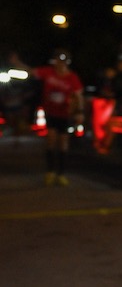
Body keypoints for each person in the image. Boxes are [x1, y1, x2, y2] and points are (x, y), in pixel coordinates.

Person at [32, 49, 84, 185]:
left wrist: (80, 111)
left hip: (65, 114)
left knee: (63, 143)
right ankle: (50, 172)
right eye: (57, 62)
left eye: (62, 62)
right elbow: (31, 72)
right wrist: (17, 63)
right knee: (50, 139)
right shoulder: (49, 72)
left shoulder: (72, 77)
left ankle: (61, 173)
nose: (59, 65)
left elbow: (79, 95)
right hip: (51, 112)